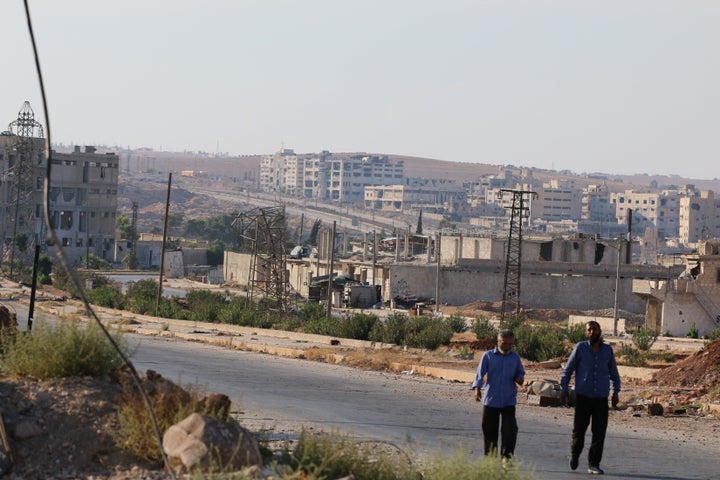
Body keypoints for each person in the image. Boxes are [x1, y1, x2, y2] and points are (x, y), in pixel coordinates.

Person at [560, 321, 621, 475]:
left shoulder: (607, 350)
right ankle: (575, 454)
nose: (592, 332)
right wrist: (564, 389)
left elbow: (614, 373)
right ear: (586, 333)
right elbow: (568, 370)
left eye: (595, 329)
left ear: (600, 331)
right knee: (579, 430)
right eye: (589, 330)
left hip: (601, 398)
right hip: (583, 397)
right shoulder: (580, 348)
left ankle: (594, 464)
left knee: (599, 432)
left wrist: (616, 392)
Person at [472, 329, 525, 463]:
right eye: (504, 344)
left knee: (510, 430)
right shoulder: (488, 356)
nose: (507, 347)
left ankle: (506, 458)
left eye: (510, 344)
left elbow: (521, 374)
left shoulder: (515, 357)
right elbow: (479, 374)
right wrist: (477, 389)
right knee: (489, 429)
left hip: (508, 400)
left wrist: (520, 379)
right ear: (498, 342)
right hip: (491, 399)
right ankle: (490, 458)